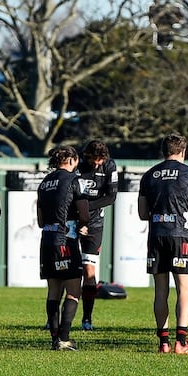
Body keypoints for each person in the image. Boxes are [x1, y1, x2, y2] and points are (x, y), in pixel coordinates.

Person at [139, 133, 188, 354]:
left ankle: (163, 343)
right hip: (179, 235)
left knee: (160, 291)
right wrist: (187, 213)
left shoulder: (149, 175)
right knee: (184, 290)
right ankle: (181, 342)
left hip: (156, 234)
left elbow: (142, 213)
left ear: (164, 151)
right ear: (183, 151)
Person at [38, 146, 91, 351]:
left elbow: (41, 220)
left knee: (53, 291)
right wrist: (80, 224)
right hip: (66, 241)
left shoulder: (44, 183)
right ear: (71, 160)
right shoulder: (75, 180)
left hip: (47, 240)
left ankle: (54, 339)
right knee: (73, 292)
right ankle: (64, 338)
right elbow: (85, 214)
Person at [75, 140, 118, 331]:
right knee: (64, 270)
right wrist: (79, 216)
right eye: (95, 160)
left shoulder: (109, 166)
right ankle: (53, 318)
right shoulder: (76, 164)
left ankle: (86, 319)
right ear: (87, 156)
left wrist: (86, 209)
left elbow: (111, 197)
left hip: (95, 224)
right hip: (72, 222)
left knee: (89, 271)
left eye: (101, 160)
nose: (97, 164)